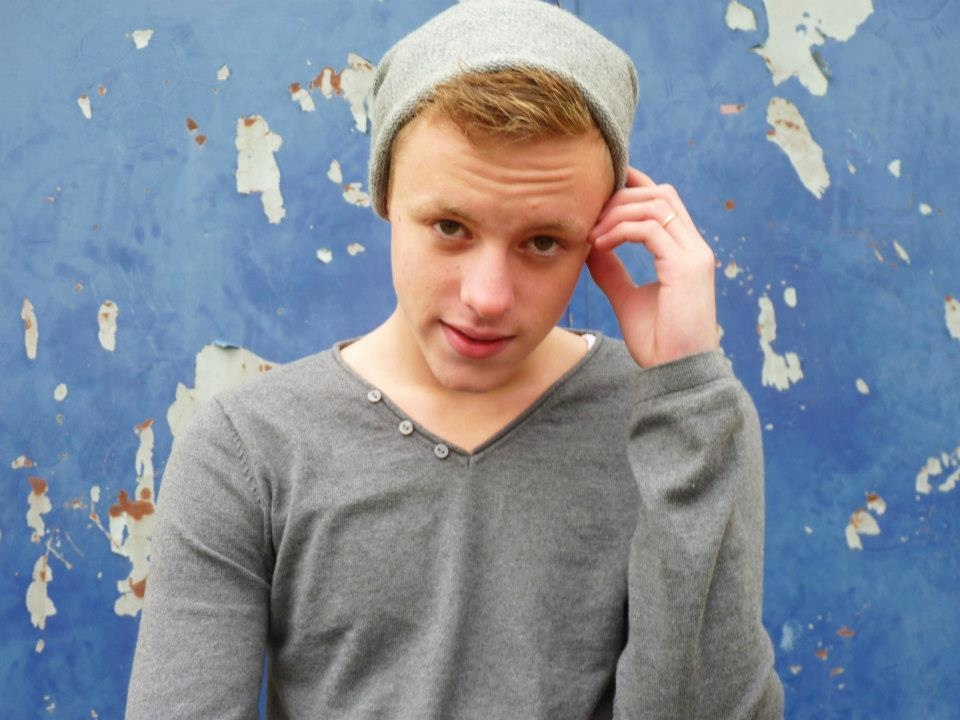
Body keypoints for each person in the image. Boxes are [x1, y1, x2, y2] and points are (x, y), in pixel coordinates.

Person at [126, 1, 785, 718]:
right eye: (450, 227)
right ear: (384, 195)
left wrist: (687, 393)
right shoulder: (249, 449)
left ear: (601, 230)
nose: (488, 297)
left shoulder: (681, 420)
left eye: (542, 242)